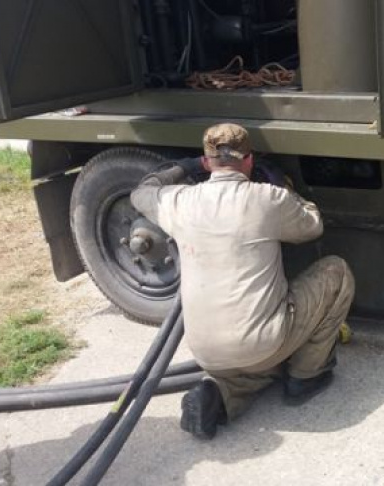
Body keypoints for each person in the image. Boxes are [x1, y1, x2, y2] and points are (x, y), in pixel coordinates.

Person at [130, 123, 355, 440]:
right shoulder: (267, 199)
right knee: (337, 272)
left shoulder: (178, 201)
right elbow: (313, 225)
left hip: (205, 352)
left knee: (250, 366)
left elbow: (140, 192)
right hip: (262, 343)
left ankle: (218, 395)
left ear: (207, 161)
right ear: (249, 159)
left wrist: (185, 167)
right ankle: (306, 375)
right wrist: (285, 189)